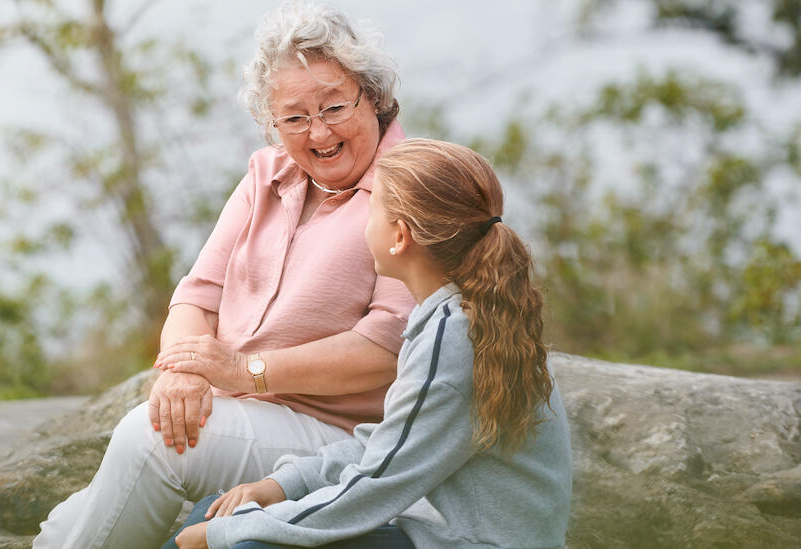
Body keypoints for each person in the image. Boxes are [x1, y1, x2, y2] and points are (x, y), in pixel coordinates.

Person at [32, 3, 416, 548]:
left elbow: (387, 346)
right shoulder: (267, 173)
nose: (319, 132)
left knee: (151, 438)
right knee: (59, 531)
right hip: (243, 411)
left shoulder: (412, 185)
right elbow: (196, 297)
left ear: (373, 97)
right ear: (272, 123)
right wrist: (187, 372)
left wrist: (242, 370)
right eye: (294, 117)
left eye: (334, 106)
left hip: (339, 437)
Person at [165, 139, 574, 549]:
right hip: (449, 534)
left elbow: (377, 487)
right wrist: (282, 484)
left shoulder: (453, 338)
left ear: (399, 236)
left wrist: (231, 532)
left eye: (371, 208)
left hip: (467, 541)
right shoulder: (454, 317)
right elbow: (391, 442)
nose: (363, 223)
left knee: (240, 541)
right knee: (216, 512)